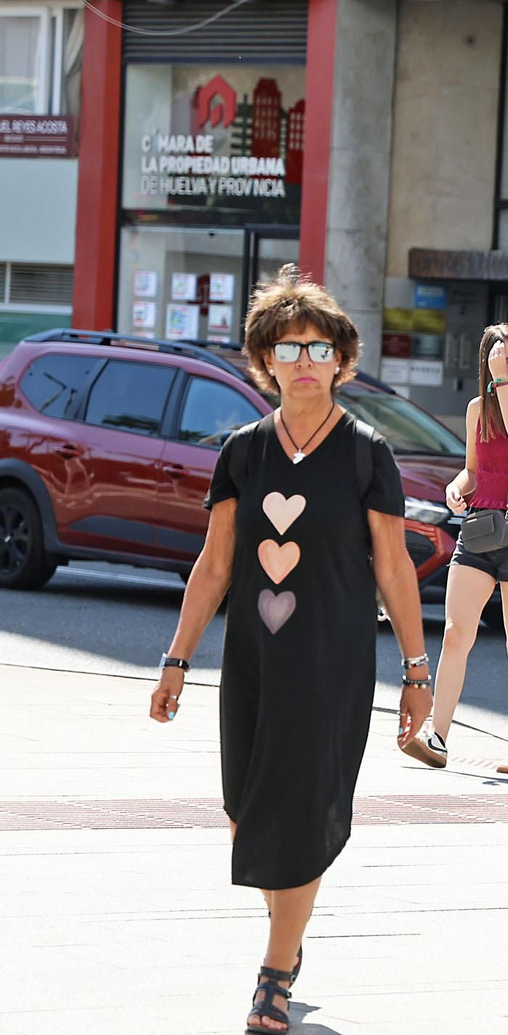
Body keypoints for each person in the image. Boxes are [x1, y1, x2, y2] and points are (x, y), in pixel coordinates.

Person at [148, 266, 432, 1034]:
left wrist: (416, 670)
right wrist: (177, 657)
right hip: (253, 662)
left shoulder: (367, 452)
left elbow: (394, 566)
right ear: (264, 361)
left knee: (300, 810)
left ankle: (274, 971)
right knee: (246, 812)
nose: (304, 361)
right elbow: (215, 564)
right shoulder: (243, 451)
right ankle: (290, 932)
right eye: (288, 347)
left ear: (342, 360)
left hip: (331, 664)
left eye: (318, 348)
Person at [401, 325, 508, 776]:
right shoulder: (479, 410)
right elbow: (473, 470)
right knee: (456, 634)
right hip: (480, 528)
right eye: (501, 359)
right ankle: (437, 735)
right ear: (486, 364)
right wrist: (456, 487)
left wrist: (501, 385)